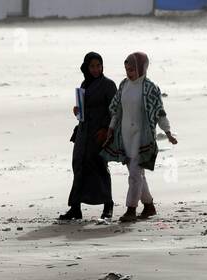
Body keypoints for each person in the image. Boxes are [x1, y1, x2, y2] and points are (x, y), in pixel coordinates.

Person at [98, 51, 178, 223]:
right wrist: (111, 129)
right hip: (125, 136)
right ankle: (149, 206)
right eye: (127, 69)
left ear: (142, 68)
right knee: (137, 173)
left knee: (135, 174)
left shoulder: (149, 88)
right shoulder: (124, 85)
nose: (129, 73)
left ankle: (131, 209)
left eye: (132, 70)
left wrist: (168, 132)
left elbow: (159, 112)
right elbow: (117, 110)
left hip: (142, 137)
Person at [59, 52, 117, 221]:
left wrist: (107, 129)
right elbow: (84, 110)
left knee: (99, 166)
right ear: (86, 67)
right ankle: (75, 207)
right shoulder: (85, 84)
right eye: (92, 66)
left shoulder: (108, 85)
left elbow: (115, 110)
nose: (96, 69)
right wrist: (77, 111)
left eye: (98, 65)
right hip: (83, 133)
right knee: (78, 165)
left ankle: (108, 205)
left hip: (99, 133)